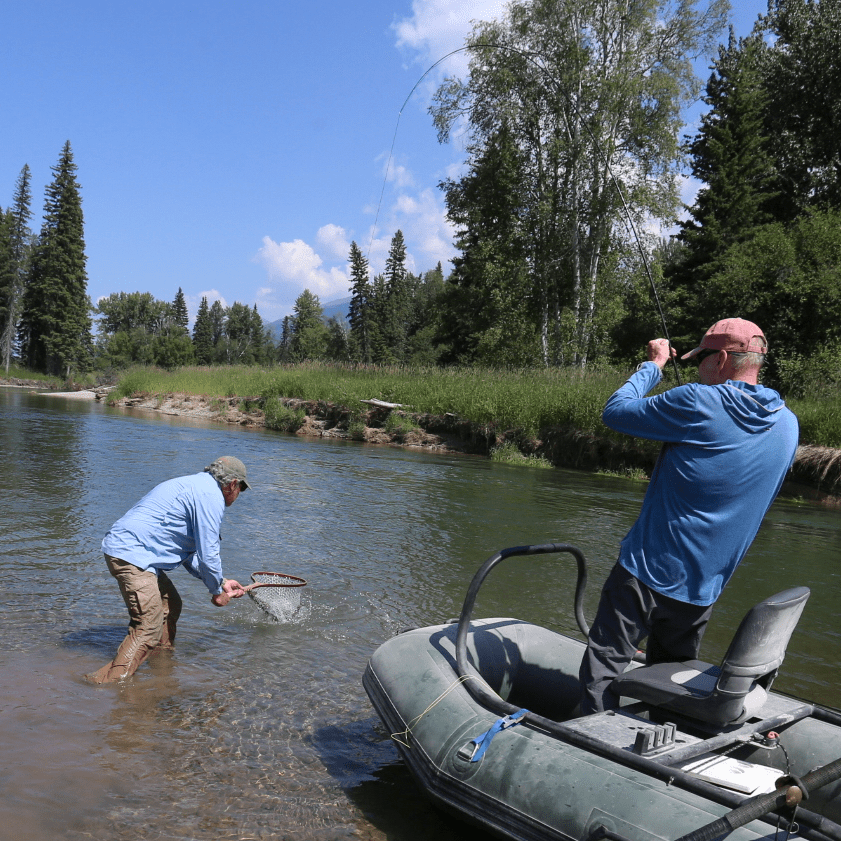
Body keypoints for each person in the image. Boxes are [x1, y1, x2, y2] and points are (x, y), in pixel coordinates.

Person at [579, 318, 799, 715]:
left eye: (701, 359)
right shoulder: (788, 423)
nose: (697, 367)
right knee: (669, 680)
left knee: (604, 671)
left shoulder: (696, 400)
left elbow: (615, 411)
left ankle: (586, 742)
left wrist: (655, 365)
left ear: (724, 359)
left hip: (644, 571)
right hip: (704, 586)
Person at [86, 456, 251, 684]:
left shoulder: (195, 485)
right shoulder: (210, 496)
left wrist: (221, 581)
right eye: (241, 488)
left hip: (131, 551)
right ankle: (109, 684)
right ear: (233, 484)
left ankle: (161, 666)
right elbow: (208, 553)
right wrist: (216, 593)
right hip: (132, 555)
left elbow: (189, 554)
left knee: (170, 604)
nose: (239, 494)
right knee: (148, 626)